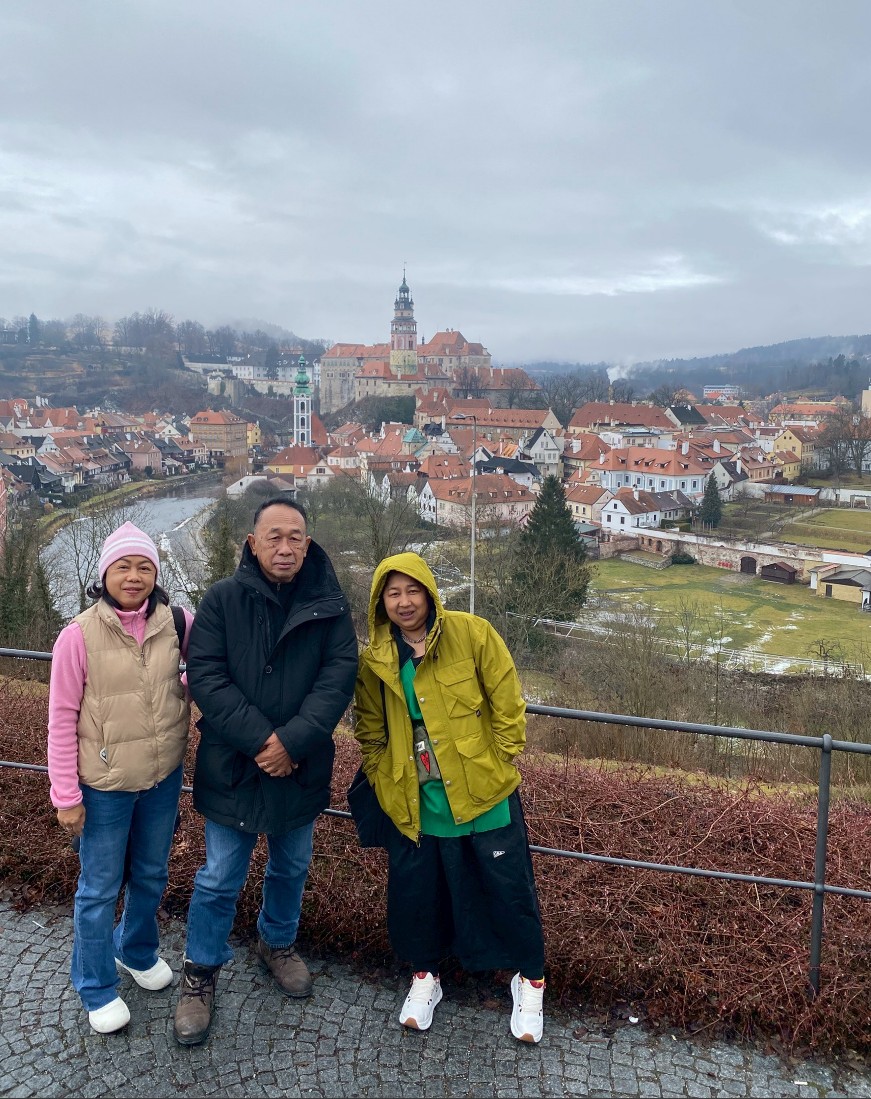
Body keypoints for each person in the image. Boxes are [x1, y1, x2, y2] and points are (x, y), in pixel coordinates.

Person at [173, 496, 358, 1046]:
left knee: (291, 865)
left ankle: (276, 943)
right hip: (235, 763)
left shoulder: (330, 605)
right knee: (218, 876)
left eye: (294, 536)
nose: (284, 547)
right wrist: (262, 741)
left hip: (300, 764)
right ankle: (200, 971)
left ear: (308, 543)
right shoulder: (222, 600)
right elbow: (206, 675)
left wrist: (292, 742)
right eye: (273, 536)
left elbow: (338, 677)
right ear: (252, 543)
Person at [353, 551, 546, 1043]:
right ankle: (425, 976)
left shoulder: (472, 633)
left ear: (429, 593)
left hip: (484, 791)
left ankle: (530, 980)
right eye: (393, 594)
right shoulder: (376, 659)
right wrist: (383, 777)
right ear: (380, 602)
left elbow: (507, 700)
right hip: (416, 799)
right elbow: (370, 730)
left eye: (412, 590)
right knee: (420, 894)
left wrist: (499, 759)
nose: (404, 602)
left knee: (509, 889)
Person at [47, 522, 193, 1035]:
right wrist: (66, 795)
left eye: (144, 567)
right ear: (105, 574)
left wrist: (192, 682)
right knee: (99, 888)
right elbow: (61, 717)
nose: (134, 577)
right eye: (123, 567)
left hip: (161, 778)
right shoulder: (78, 635)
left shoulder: (178, 622)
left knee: (151, 874)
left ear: (156, 573)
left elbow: (211, 669)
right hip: (103, 787)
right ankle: (95, 984)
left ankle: (135, 949)